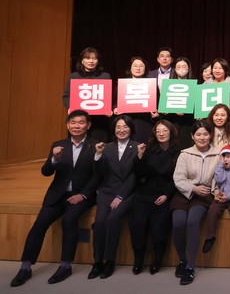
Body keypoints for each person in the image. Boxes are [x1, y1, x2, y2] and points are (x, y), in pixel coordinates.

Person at [10, 110, 99, 287]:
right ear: (67, 125)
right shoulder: (58, 145)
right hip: (57, 196)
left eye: (81, 122)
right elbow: (46, 172)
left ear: (88, 125)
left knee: (69, 220)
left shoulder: (96, 146)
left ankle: (65, 266)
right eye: (73, 122)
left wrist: (82, 195)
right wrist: (54, 159)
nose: (76, 126)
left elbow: (98, 176)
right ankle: (25, 267)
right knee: (39, 224)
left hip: (82, 196)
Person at [89, 115, 139, 279]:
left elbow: (134, 176)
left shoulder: (137, 147)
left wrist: (120, 196)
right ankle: (97, 262)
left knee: (112, 219)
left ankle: (110, 261)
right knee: (100, 222)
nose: (121, 130)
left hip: (127, 193)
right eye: (118, 127)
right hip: (106, 191)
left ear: (131, 129)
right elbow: (99, 173)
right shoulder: (106, 147)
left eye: (125, 127)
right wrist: (97, 155)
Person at [170, 120, 220, 285]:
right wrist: (193, 188)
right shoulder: (185, 154)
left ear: (210, 135)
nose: (202, 137)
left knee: (192, 221)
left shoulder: (218, 154)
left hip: (204, 195)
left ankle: (190, 267)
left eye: (205, 134)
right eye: (198, 134)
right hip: (184, 193)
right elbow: (178, 178)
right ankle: (182, 260)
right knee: (178, 222)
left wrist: (214, 190)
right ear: (192, 136)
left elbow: (218, 177)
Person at [130, 120, 179, 275]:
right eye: (158, 131)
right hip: (145, 192)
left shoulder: (178, 152)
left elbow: (177, 178)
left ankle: (157, 260)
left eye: (164, 131)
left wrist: (166, 195)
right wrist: (139, 156)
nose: (161, 134)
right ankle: (138, 260)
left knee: (159, 228)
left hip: (164, 193)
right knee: (137, 226)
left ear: (171, 132)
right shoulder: (149, 150)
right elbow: (140, 174)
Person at [202, 144, 230, 254]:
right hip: (220, 198)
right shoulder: (220, 169)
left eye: (228, 156)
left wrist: (229, 196)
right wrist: (220, 165)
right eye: (223, 156)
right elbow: (219, 179)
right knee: (212, 211)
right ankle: (210, 236)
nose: (225, 159)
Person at [62, 47, 111, 142]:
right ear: (82, 61)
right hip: (79, 119)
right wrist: (70, 108)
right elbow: (66, 96)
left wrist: (109, 108)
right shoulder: (74, 76)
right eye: (87, 58)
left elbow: (109, 96)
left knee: (98, 146)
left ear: (98, 61)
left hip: (99, 120)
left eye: (94, 58)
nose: (91, 61)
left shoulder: (105, 76)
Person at [116, 56, 154, 144]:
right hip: (127, 123)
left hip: (145, 122)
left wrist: (156, 114)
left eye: (141, 66)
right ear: (130, 68)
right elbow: (115, 102)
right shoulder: (122, 84)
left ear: (145, 68)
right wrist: (115, 109)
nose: (138, 68)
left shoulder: (152, 85)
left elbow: (157, 104)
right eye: (135, 66)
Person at [167, 57, 196, 149]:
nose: (181, 69)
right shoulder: (168, 85)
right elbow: (164, 107)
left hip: (188, 123)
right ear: (174, 69)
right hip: (173, 122)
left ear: (189, 68)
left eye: (184, 66)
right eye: (178, 67)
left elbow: (197, 106)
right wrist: (172, 110)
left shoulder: (196, 84)